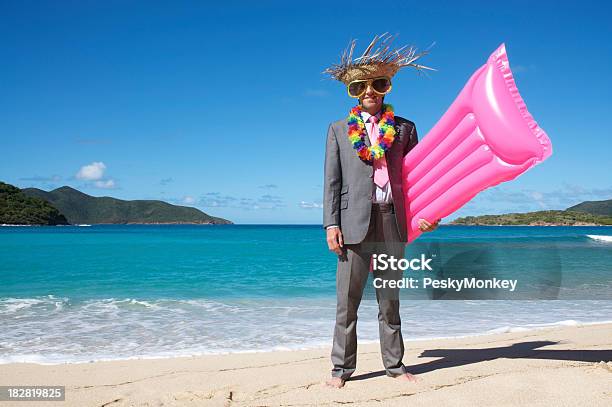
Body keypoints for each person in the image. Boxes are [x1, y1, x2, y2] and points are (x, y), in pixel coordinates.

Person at [322, 33, 440, 388]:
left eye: (377, 83)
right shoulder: (339, 130)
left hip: (392, 219)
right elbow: (331, 181)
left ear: (386, 87)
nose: (369, 91)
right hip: (351, 222)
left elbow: (421, 176)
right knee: (348, 301)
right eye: (360, 86)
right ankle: (341, 369)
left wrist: (429, 213)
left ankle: (395, 365)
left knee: (389, 300)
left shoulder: (405, 128)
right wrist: (331, 224)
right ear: (354, 91)